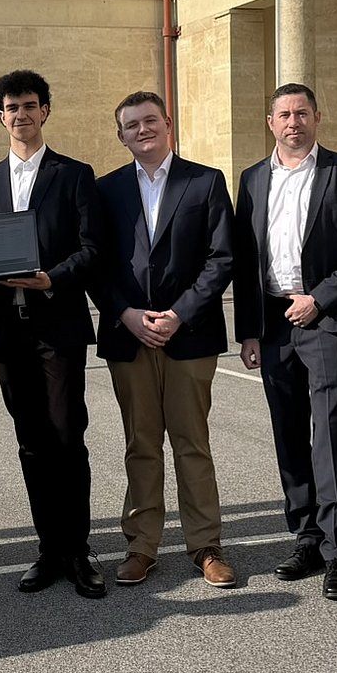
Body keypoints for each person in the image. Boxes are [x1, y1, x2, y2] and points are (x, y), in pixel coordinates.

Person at [232, 83, 337, 602]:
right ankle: (307, 538)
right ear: (270, 123)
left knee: (333, 433)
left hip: (324, 319)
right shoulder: (252, 179)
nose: (293, 122)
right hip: (274, 323)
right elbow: (245, 260)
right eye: (284, 115)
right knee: (289, 432)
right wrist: (249, 330)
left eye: (302, 113)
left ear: (317, 117)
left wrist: (319, 298)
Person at [0, 69, 105, 599]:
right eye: (11, 107)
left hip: (58, 326)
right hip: (7, 332)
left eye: (29, 105)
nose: (20, 114)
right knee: (31, 443)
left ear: (44, 111)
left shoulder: (74, 175)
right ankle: (49, 548)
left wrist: (53, 278)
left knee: (68, 437)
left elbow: (92, 250)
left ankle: (78, 550)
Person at [94, 91, 238, 589]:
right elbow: (96, 262)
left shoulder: (205, 181)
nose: (143, 130)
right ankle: (141, 546)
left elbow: (222, 258)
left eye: (150, 120)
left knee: (191, 443)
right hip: (129, 335)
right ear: (121, 136)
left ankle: (206, 546)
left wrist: (179, 314)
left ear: (168, 123)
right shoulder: (106, 189)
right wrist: (125, 313)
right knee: (141, 444)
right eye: (132, 125)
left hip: (189, 334)